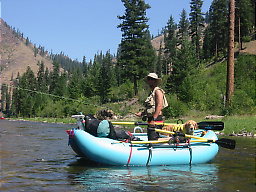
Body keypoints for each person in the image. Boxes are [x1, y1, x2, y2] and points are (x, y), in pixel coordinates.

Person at [136, 73, 168, 140]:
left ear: (155, 81)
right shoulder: (151, 92)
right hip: (150, 120)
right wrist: (142, 113)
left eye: (152, 79)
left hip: (156, 121)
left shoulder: (158, 91)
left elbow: (159, 106)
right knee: (150, 139)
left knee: (154, 140)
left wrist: (154, 120)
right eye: (149, 79)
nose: (150, 81)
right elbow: (151, 107)